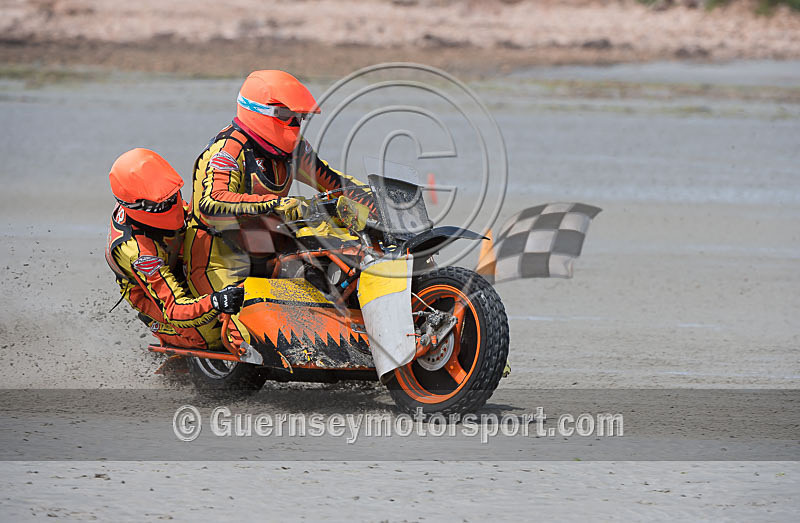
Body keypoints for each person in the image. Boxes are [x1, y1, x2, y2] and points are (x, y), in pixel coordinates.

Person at [184, 70, 373, 345]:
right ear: (259, 112)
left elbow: (334, 183)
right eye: (286, 116)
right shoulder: (228, 151)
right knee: (243, 333)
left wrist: (375, 198)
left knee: (335, 257)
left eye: (299, 117)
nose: (295, 124)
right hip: (217, 252)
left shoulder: (294, 151)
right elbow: (211, 202)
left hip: (266, 242)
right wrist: (277, 204)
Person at [105, 148, 245, 350]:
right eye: (160, 205)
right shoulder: (139, 253)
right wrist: (217, 301)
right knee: (211, 337)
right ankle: (170, 336)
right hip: (152, 295)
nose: (171, 206)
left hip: (174, 256)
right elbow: (174, 308)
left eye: (172, 197)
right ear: (139, 207)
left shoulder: (162, 197)